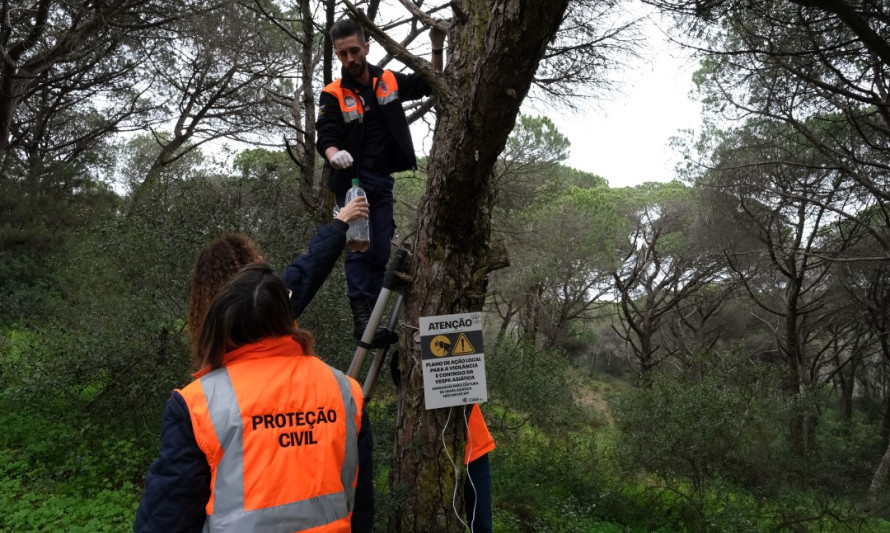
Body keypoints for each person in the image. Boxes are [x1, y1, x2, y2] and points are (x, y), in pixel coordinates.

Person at [134, 264, 374, 532]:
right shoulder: (345, 390)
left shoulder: (200, 403)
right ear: (288, 319)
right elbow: (362, 505)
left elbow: (168, 517)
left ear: (222, 323)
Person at [316, 18, 445, 345]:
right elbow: (326, 135)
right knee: (359, 247)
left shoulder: (386, 80)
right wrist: (334, 155)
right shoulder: (333, 93)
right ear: (337, 54)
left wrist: (436, 44)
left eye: (354, 51)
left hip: (381, 179)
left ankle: (373, 317)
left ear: (366, 48)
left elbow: (430, 82)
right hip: (352, 182)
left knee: (381, 246)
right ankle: (362, 321)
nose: (349, 59)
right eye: (342, 54)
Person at [184, 197, 369, 361]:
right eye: (254, 258)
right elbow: (308, 270)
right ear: (243, 268)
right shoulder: (263, 305)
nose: (261, 260)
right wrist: (340, 223)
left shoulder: (212, 327)